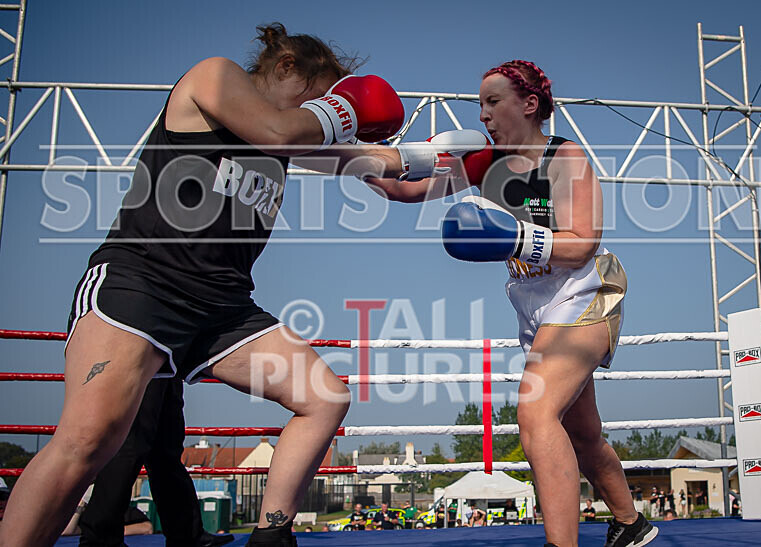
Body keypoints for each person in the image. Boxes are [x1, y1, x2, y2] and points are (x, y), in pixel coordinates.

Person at [0, 22, 405, 547]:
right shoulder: (212, 78)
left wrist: (460, 163)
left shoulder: (286, 141)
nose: (321, 112)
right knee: (88, 438)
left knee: (324, 396)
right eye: (319, 95)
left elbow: (392, 178)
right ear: (285, 67)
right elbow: (281, 131)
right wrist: (348, 108)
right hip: (143, 285)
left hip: (224, 308)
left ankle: (271, 536)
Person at [365, 59, 658, 547]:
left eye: (493, 102)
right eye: (480, 104)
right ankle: (631, 523)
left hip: (585, 292)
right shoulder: (484, 163)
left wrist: (515, 237)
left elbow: (583, 242)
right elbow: (407, 190)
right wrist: (364, 162)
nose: (483, 115)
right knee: (583, 435)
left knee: (535, 413)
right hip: (534, 306)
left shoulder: (566, 158)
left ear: (529, 104)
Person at [78, 377, 233, 547]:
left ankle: (187, 535)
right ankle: (100, 538)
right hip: (145, 361)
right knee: (130, 446)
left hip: (168, 363)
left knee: (166, 452)